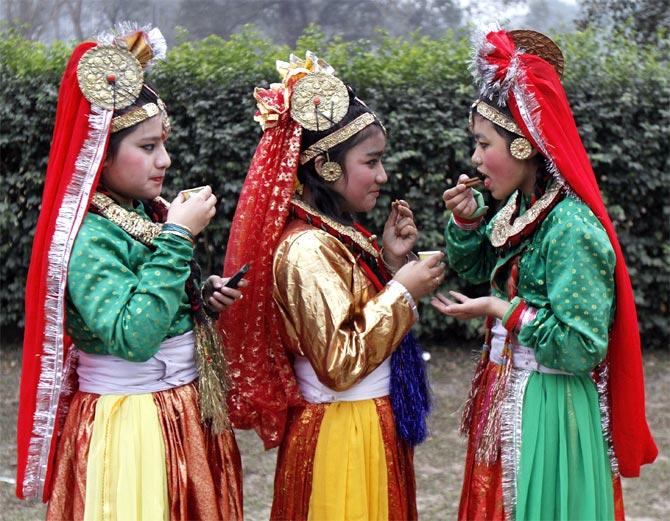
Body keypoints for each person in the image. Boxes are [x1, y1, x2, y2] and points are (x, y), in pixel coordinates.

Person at [15, 26, 243, 520]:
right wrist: (179, 238)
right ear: (101, 150)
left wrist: (200, 296)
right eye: (146, 146)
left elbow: (152, 301)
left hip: (177, 410)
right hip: (132, 423)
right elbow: (133, 336)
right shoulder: (89, 237)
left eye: (163, 143)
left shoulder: (141, 213)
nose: (164, 159)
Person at [432, 28, 657, 519]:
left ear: (523, 147)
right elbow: (475, 266)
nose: (473, 159)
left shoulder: (570, 227)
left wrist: (501, 310)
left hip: (550, 408)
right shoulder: (521, 206)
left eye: (481, 143)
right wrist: (469, 219)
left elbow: (580, 346)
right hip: (508, 392)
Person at [219, 52, 445, 520]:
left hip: (365, 424)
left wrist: (389, 261)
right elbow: (339, 363)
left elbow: (353, 311)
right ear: (325, 167)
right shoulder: (305, 249)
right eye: (372, 161)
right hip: (342, 434)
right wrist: (402, 291)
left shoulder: (331, 235)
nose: (383, 175)